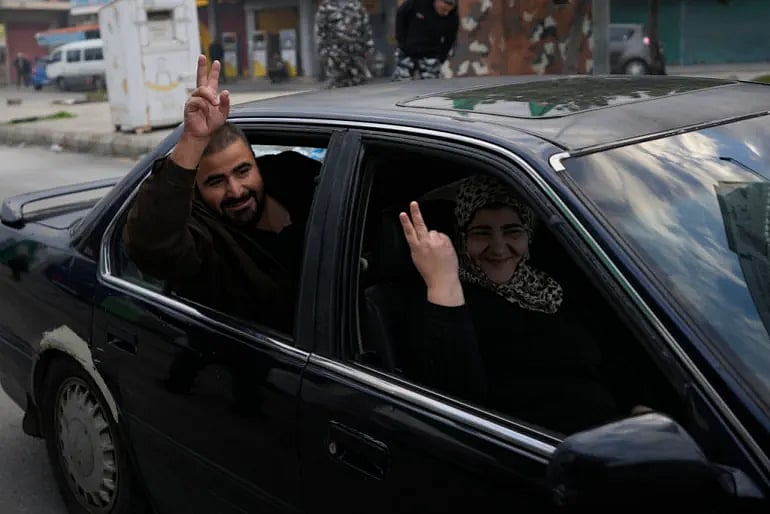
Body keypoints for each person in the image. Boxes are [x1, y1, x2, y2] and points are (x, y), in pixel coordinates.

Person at [398, 174, 623, 435]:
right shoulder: (444, 300)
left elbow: (612, 356)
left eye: (512, 231)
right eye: (482, 233)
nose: (499, 248)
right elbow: (456, 402)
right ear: (462, 238)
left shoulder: (551, 287)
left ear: (528, 235)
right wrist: (443, 282)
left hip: (615, 431)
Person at [124, 55, 321, 334]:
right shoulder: (204, 235)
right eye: (216, 182)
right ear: (197, 189)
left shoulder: (296, 177)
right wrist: (192, 141)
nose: (236, 191)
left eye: (243, 171)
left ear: (257, 164)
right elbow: (150, 244)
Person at [393, 0, 459, 81]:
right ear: (438, 1)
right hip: (407, 51)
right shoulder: (416, 3)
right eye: (444, 10)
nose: (446, 14)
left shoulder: (452, 16)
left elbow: (450, 39)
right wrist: (401, 42)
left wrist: (441, 58)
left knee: (432, 83)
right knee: (401, 80)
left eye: (449, 11)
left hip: (431, 54)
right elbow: (401, 15)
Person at [315, 0, 375, 88]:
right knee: (336, 85)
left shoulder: (357, 6)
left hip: (356, 54)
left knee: (359, 84)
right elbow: (320, 31)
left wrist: (369, 49)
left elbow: (366, 29)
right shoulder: (325, 6)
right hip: (334, 56)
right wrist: (323, 52)